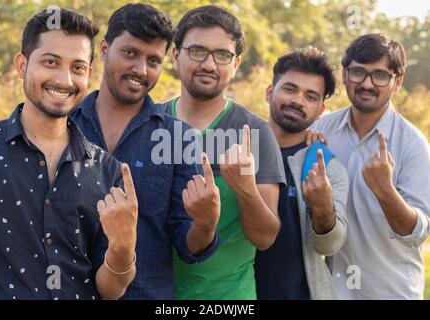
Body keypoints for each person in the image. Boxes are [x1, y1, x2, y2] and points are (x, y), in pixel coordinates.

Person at [0, 8, 137, 300]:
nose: (64, 80)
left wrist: (122, 247)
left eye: (77, 67)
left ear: (89, 74)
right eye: (50, 62)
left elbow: (111, 290)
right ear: (21, 64)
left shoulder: (107, 171)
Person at [70, 3, 220, 300]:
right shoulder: (64, 124)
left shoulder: (178, 138)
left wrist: (206, 223)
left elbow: (188, 245)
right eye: (130, 53)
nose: (141, 70)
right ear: (103, 50)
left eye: (153, 60)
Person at [162, 5, 286, 299]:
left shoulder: (255, 133)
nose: (209, 64)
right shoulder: (149, 125)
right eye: (197, 51)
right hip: (156, 294)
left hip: (229, 297)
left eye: (222, 55)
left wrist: (245, 190)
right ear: (175, 55)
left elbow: (265, 238)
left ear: (236, 63)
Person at [311, 33, 430, 299]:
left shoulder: (412, 144)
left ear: (397, 81)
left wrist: (386, 191)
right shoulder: (320, 132)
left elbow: (416, 234)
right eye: (358, 72)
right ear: (344, 75)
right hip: (331, 292)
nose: (366, 84)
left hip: (389, 292)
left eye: (379, 75)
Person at [254, 47, 349, 300]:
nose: (298, 101)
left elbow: (330, 245)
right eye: (290, 89)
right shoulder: (240, 150)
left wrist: (322, 206)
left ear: (320, 109)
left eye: (310, 96)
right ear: (269, 92)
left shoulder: (326, 167)